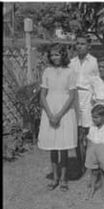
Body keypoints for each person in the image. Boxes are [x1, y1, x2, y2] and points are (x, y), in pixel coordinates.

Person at [38, 43, 77, 192]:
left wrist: (60, 114)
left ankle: (63, 178)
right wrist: (49, 113)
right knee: (53, 147)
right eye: (52, 55)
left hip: (65, 111)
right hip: (50, 108)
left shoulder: (70, 72)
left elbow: (72, 95)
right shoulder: (47, 71)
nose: (55, 57)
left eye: (58, 54)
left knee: (63, 146)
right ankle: (54, 177)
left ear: (63, 55)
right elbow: (42, 94)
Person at [70, 34, 99, 173]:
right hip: (75, 97)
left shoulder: (94, 62)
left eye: (82, 44)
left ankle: (89, 162)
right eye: (78, 43)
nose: (79, 46)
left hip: (88, 97)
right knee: (77, 131)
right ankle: (80, 163)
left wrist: (95, 98)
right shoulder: (72, 62)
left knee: (88, 131)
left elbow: (97, 81)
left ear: (88, 46)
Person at [84, 104, 104, 199]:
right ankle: (93, 188)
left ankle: (103, 189)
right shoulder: (92, 128)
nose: (94, 119)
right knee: (94, 171)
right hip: (93, 151)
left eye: (96, 117)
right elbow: (89, 140)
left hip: (103, 152)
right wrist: (88, 152)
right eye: (93, 117)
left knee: (103, 172)